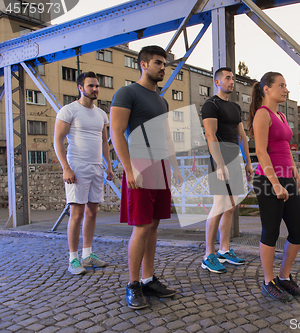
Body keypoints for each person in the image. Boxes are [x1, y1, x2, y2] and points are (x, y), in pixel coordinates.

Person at [110, 45, 183, 309]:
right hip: (139, 165)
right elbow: (117, 133)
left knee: (154, 226)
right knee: (140, 227)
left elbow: (165, 136)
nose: (163, 67)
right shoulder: (127, 93)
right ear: (143, 64)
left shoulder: (162, 99)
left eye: (164, 63)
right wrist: (128, 169)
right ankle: (132, 285)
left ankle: (148, 279)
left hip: (160, 166)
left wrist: (175, 168)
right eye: (158, 63)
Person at [249, 72, 300, 302]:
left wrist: (298, 179)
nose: (285, 90)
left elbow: (286, 151)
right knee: (271, 231)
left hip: (286, 179)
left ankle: (284, 277)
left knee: (298, 230)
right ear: (267, 89)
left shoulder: (281, 116)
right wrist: (275, 184)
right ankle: (268, 281)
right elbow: (261, 152)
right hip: (267, 180)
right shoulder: (262, 115)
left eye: (286, 86)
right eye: (281, 85)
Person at [54, 71, 114, 275]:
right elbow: (58, 140)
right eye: (91, 86)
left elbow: (104, 142)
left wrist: (109, 165)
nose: (95, 89)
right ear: (81, 88)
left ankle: (88, 255)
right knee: (76, 213)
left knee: (92, 211)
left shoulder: (101, 114)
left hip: (97, 167)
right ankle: (73, 259)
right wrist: (66, 167)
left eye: (97, 86)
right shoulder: (68, 111)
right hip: (77, 167)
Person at [201, 67, 252, 273]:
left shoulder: (235, 107)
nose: (232, 81)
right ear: (217, 82)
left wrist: (248, 162)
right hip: (219, 158)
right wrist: (220, 164)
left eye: (233, 78)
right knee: (219, 205)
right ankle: (208, 255)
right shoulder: (210, 105)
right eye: (228, 78)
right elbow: (211, 136)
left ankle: (224, 250)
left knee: (231, 206)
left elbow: (242, 136)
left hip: (234, 158)